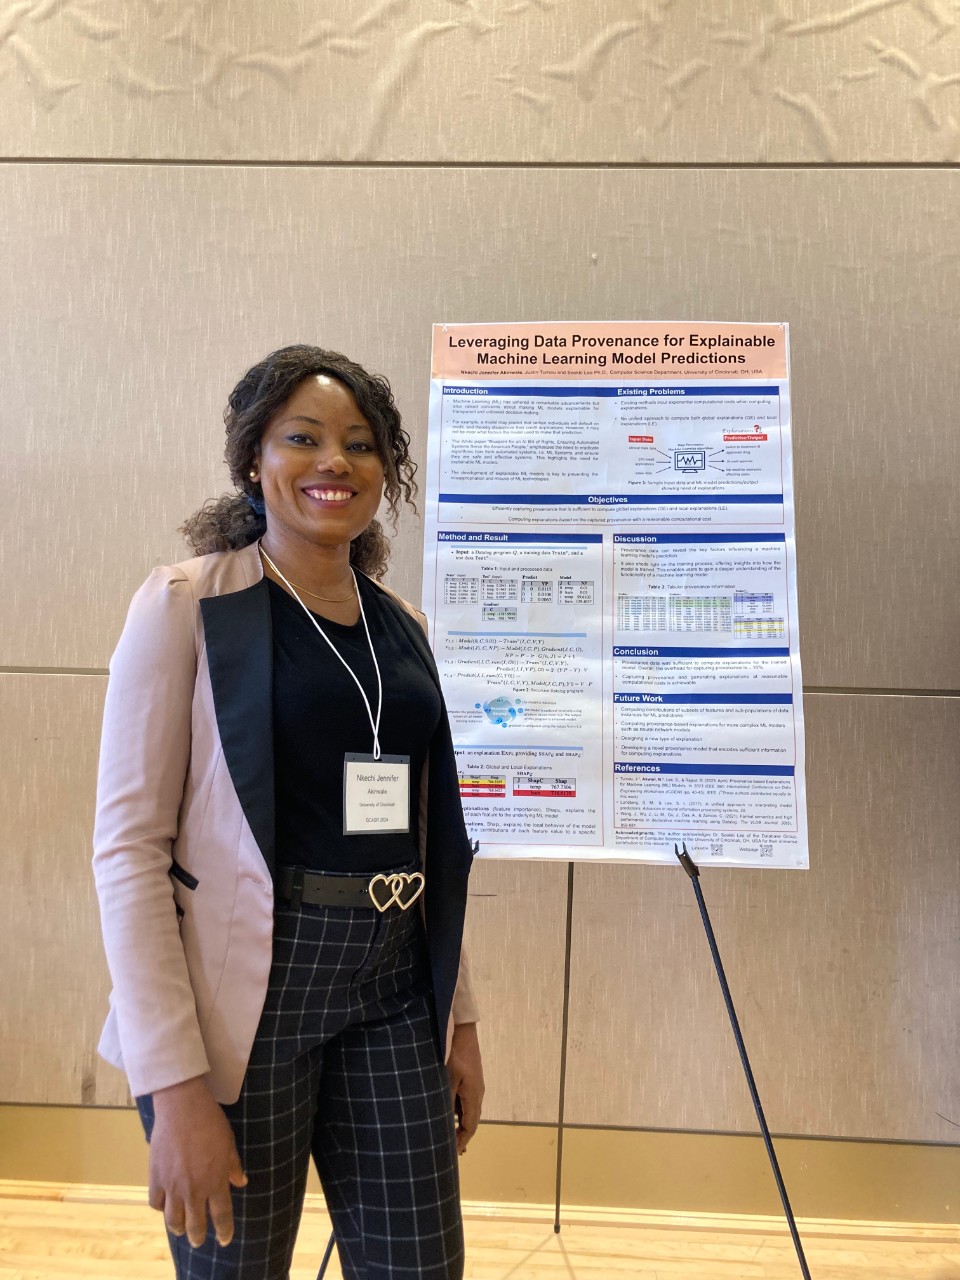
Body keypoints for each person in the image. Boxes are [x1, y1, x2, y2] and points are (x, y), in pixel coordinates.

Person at [92, 344, 484, 1280]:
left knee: (421, 1266)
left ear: (385, 472)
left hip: (392, 989)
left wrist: (460, 1020)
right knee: (237, 1268)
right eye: (301, 438)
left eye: (360, 443)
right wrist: (174, 1085)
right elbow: (129, 851)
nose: (333, 463)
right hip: (246, 998)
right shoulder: (188, 605)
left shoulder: (405, 628)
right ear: (253, 460)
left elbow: (430, 839)